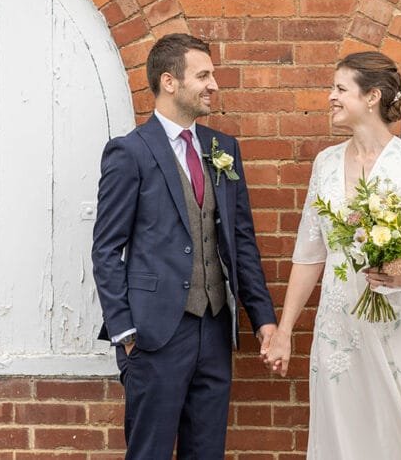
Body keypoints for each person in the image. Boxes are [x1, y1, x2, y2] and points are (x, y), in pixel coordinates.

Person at [261, 51, 401, 459]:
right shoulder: (326, 164)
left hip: (395, 324)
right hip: (338, 327)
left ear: (371, 97)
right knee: (345, 433)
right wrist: (285, 330)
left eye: (339, 88)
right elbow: (309, 254)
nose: (330, 97)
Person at [91, 33, 278, 460]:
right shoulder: (130, 152)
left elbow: (241, 242)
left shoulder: (222, 149)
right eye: (204, 75)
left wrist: (262, 319)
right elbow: (106, 248)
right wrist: (125, 332)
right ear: (170, 81)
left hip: (213, 329)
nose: (214, 85)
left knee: (207, 452)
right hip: (154, 335)